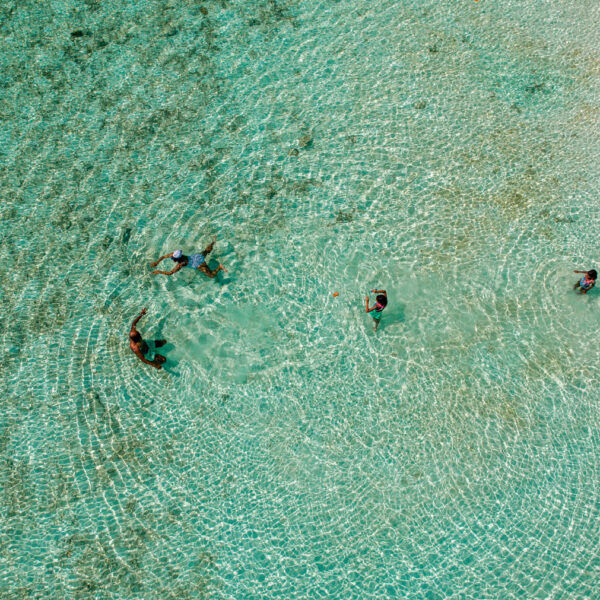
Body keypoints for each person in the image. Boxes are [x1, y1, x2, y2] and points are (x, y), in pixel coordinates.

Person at [151, 237, 227, 278]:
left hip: (198, 264)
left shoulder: (181, 264)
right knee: (206, 251)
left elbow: (170, 273)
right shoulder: (176, 254)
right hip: (196, 256)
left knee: (211, 275)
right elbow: (164, 256)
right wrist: (157, 262)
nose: (172, 258)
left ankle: (219, 267)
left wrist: (159, 272)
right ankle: (214, 241)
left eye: (173, 259)